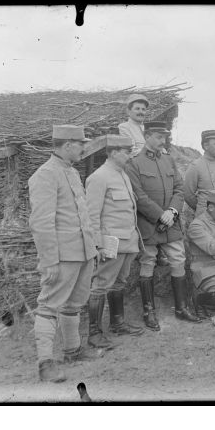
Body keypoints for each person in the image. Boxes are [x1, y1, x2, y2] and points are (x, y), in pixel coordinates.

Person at [28, 125, 99, 383]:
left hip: (82, 253)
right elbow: (41, 223)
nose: (83, 148)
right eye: (81, 144)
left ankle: (73, 351)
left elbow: (82, 216)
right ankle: (45, 365)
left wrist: (93, 248)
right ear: (68, 144)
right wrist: (49, 261)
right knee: (48, 306)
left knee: (74, 305)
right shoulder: (45, 175)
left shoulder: (71, 172)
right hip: (62, 256)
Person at [126, 121, 201, 323]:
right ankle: (148, 312)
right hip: (149, 223)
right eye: (159, 137)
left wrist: (173, 211)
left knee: (178, 260)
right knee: (148, 261)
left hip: (171, 222)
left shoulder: (168, 160)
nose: (163, 141)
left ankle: (181, 308)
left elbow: (179, 188)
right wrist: (160, 215)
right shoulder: (133, 162)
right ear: (147, 136)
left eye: (165, 137)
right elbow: (138, 196)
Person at [85, 135, 145, 348]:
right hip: (110, 243)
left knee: (119, 283)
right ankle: (94, 333)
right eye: (126, 151)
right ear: (112, 152)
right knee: (101, 285)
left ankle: (117, 323)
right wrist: (98, 244)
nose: (130, 155)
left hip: (128, 241)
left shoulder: (123, 175)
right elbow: (92, 215)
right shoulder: (99, 177)